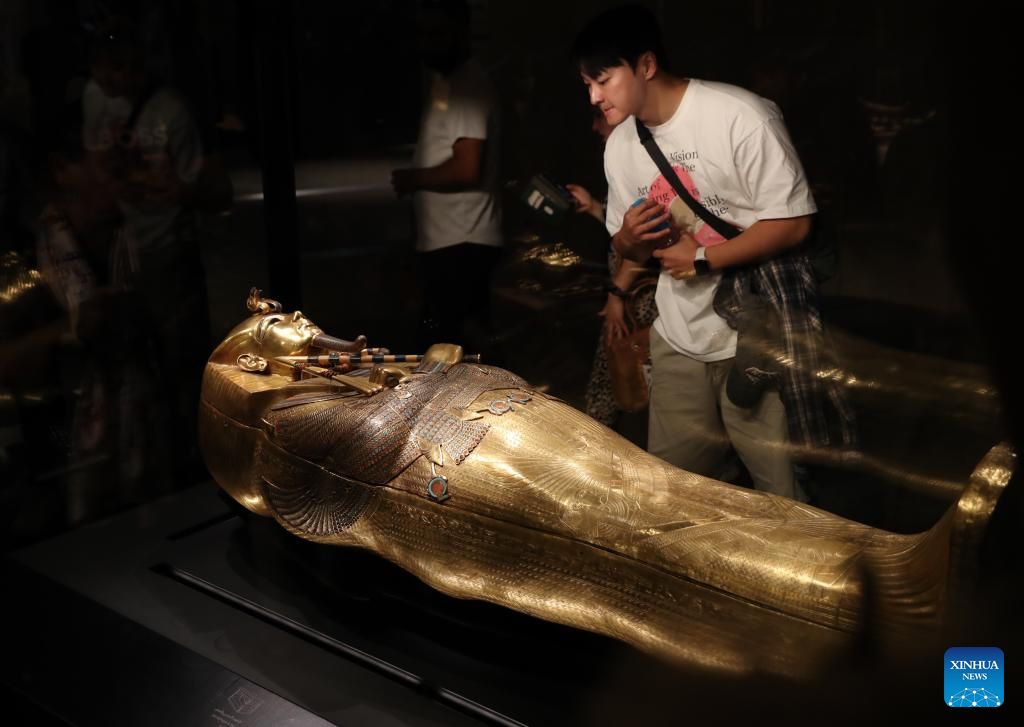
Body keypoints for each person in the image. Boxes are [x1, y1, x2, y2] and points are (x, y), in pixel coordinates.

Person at [571, 6, 854, 501]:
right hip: (679, 335)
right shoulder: (620, 146)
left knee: (781, 495)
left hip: (756, 335)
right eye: (587, 84)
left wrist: (703, 259)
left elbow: (793, 222)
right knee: (670, 491)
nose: (594, 96)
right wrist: (630, 239)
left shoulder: (740, 115)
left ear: (646, 65)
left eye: (603, 79)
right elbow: (626, 248)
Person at [391, 0, 501, 352]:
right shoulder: (447, 83)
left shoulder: (468, 86)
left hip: (462, 243)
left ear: (460, 33)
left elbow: (467, 167)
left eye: (436, 34)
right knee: (445, 346)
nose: (427, 44)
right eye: (422, 34)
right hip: (449, 241)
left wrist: (413, 179)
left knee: (453, 350)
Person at [567, 110, 658, 429]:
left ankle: (606, 444)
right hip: (630, 291)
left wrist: (616, 293)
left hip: (639, 296)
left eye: (601, 115)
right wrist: (594, 206)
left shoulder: (642, 157)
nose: (595, 125)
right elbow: (623, 228)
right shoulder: (623, 158)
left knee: (625, 376)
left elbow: (642, 241)